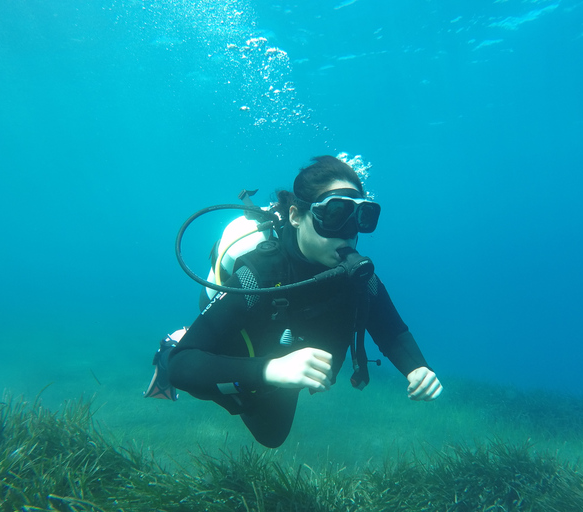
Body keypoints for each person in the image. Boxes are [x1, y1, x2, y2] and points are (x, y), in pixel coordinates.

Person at [166, 155, 442, 448]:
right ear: (296, 216)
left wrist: (417, 368)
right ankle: (173, 341)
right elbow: (181, 365)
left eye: (360, 217)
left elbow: (391, 331)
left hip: (292, 359)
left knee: (272, 437)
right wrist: (270, 370)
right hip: (248, 352)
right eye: (335, 214)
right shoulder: (257, 276)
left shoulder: (357, 276)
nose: (348, 233)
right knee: (254, 411)